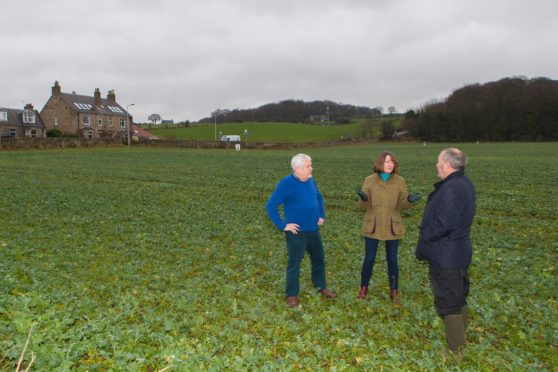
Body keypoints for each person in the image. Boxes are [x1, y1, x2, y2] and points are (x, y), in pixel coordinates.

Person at [416, 148, 476, 358]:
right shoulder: (465, 183)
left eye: (438, 162)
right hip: (459, 251)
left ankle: (456, 350)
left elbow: (444, 223)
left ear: (448, 165)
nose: (436, 165)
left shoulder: (451, 188)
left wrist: (426, 235)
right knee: (459, 295)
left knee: (448, 300)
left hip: (446, 254)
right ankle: (461, 336)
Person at [266, 153, 336, 308]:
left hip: (313, 230)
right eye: (308, 166)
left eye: (310, 165)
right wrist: (283, 225)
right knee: (294, 263)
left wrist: (321, 215)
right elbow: (271, 205)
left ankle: (321, 286)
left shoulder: (310, 180)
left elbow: (318, 197)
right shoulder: (286, 184)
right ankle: (291, 295)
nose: (312, 168)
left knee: (319, 259)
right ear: (297, 168)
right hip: (296, 233)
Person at [356, 151, 420, 304]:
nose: (390, 164)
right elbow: (361, 206)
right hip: (373, 224)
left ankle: (394, 291)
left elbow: (402, 205)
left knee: (392, 259)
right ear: (379, 163)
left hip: (392, 225)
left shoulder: (400, 181)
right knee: (369, 259)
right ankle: (363, 288)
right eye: (386, 162)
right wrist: (363, 199)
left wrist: (409, 201)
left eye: (392, 161)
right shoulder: (369, 180)